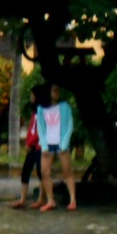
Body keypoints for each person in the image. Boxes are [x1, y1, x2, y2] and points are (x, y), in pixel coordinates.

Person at [37, 83, 77, 211]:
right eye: (54, 90)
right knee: (45, 172)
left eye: (57, 90)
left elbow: (70, 125)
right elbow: (40, 127)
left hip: (62, 144)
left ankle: (73, 200)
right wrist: (44, 145)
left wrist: (65, 143)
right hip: (48, 143)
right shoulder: (41, 108)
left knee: (67, 171)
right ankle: (50, 200)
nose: (56, 93)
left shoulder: (65, 107)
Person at [11, 85, 45, 209]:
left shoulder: (42, 111)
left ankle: (41, 199)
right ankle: (23, 199)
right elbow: (32, 129)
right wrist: (28, 142)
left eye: (32, 95)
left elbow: (40, 130)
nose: (31, 97)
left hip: (40, 146)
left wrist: (29, 143)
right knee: (26, 171)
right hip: (32, 146)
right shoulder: (35, 112)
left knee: (41, 172)